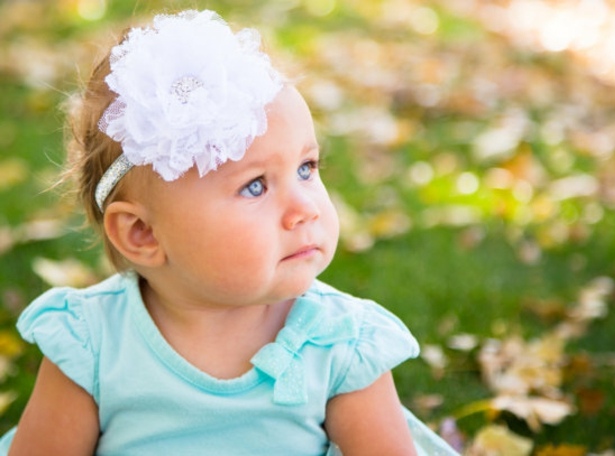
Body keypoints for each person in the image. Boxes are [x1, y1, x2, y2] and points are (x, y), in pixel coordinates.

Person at [0, 10, 458, 456]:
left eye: (306, 167)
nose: (304, 209)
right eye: (254, 186)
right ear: (142, 233)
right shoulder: (92, 343)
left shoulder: (338, 342)